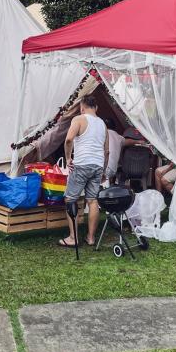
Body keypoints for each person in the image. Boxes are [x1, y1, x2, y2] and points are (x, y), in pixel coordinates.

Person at [59, 95, 108, 248]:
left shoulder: (79, 119)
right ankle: (91, 237)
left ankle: (73, 238)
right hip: (98, 165)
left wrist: (68, 158)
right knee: (93, 200)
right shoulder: (103, 124)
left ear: (82, 107)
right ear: (96, 108)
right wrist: (103, 171)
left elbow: (68, 140)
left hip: (81, 164)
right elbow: (106, 151)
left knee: (70, 199)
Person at [104, 118, 124, 184]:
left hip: (104, 169)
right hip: (113, 170)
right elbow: (128, 141)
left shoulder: (102, 134)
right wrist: (139, 141)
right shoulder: (119, 137)